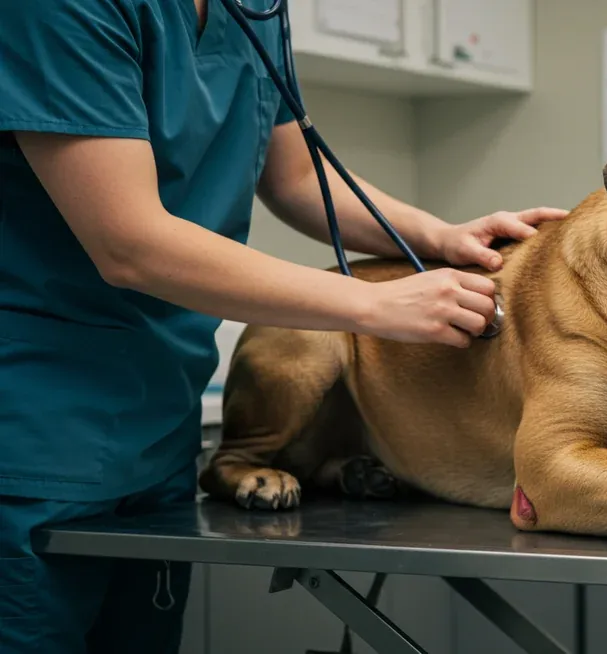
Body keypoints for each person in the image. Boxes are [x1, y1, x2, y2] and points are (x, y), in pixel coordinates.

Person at [0, 1, 567, 651]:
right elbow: (129, 243)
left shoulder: (254, 9)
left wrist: (440, 234)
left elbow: (297, 177)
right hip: (36, 426)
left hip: (158, 416)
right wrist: (374, 306)